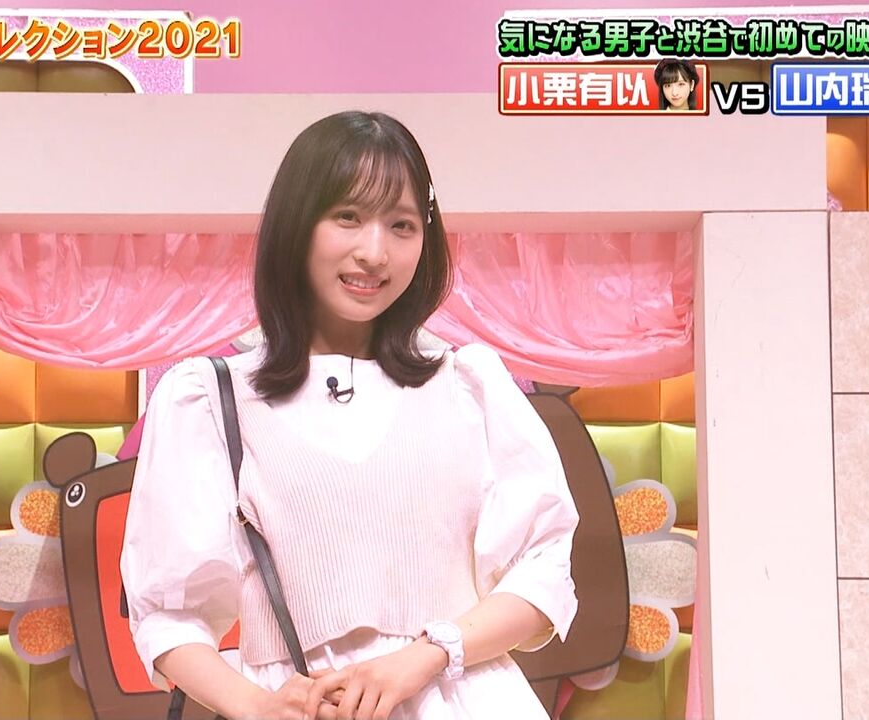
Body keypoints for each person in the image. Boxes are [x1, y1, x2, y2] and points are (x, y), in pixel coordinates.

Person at [120, 110, 579, 720]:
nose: (375, 252)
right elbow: (167, 612)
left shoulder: (469, 384)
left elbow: (544, 567)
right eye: (348, 217)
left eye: (402, 225)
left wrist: (427, 655)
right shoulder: (209, 397)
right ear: (296, 223)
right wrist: (255, 706)